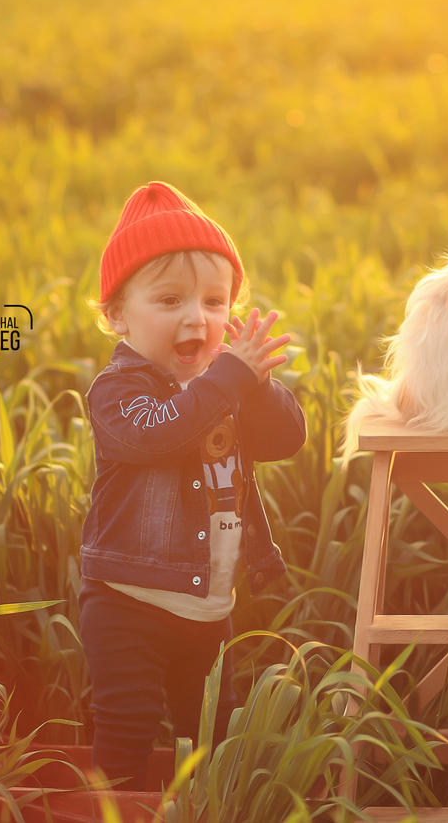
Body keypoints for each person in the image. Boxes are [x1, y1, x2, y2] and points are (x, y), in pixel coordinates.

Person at [79, 180, 303, 791]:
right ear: (118, 315)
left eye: (213, 302)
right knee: (125, 729)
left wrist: (254, 384)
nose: (195, 318)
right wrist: (230, 379)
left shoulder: (227, 386)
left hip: (209, 608)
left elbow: (285, 440)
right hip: (127, 604)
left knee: (211, 733)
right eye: (170, 300)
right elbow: (159, 436)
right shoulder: (118, 393)